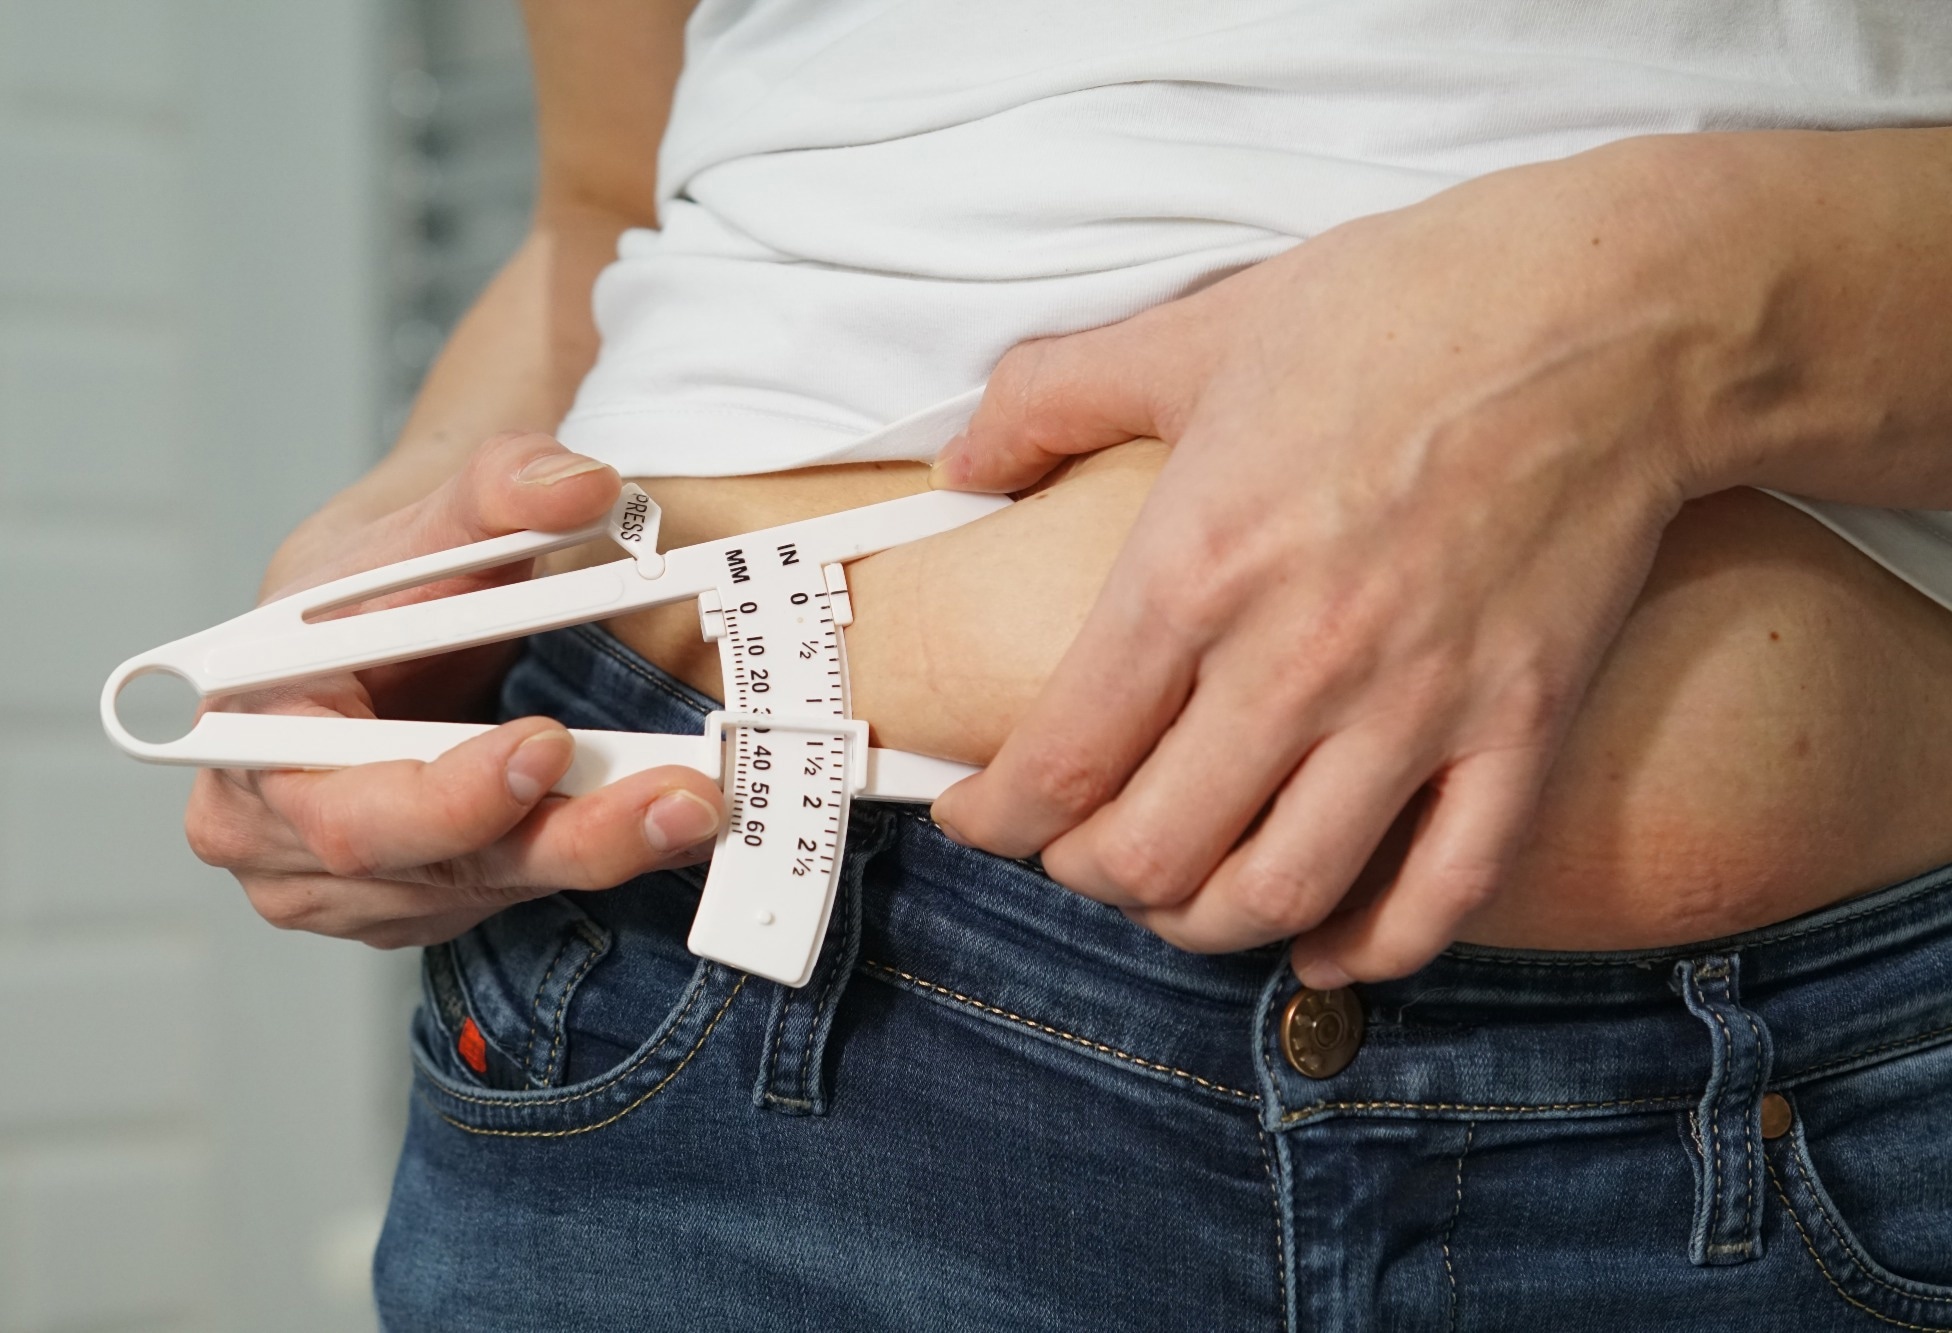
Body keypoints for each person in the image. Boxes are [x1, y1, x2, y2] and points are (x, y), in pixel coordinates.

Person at [183, 1, 1952, 1327]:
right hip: (761, 1040)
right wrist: (404, 580)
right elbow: (599, 199)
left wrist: (1673, 309)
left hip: (1852, 1101)